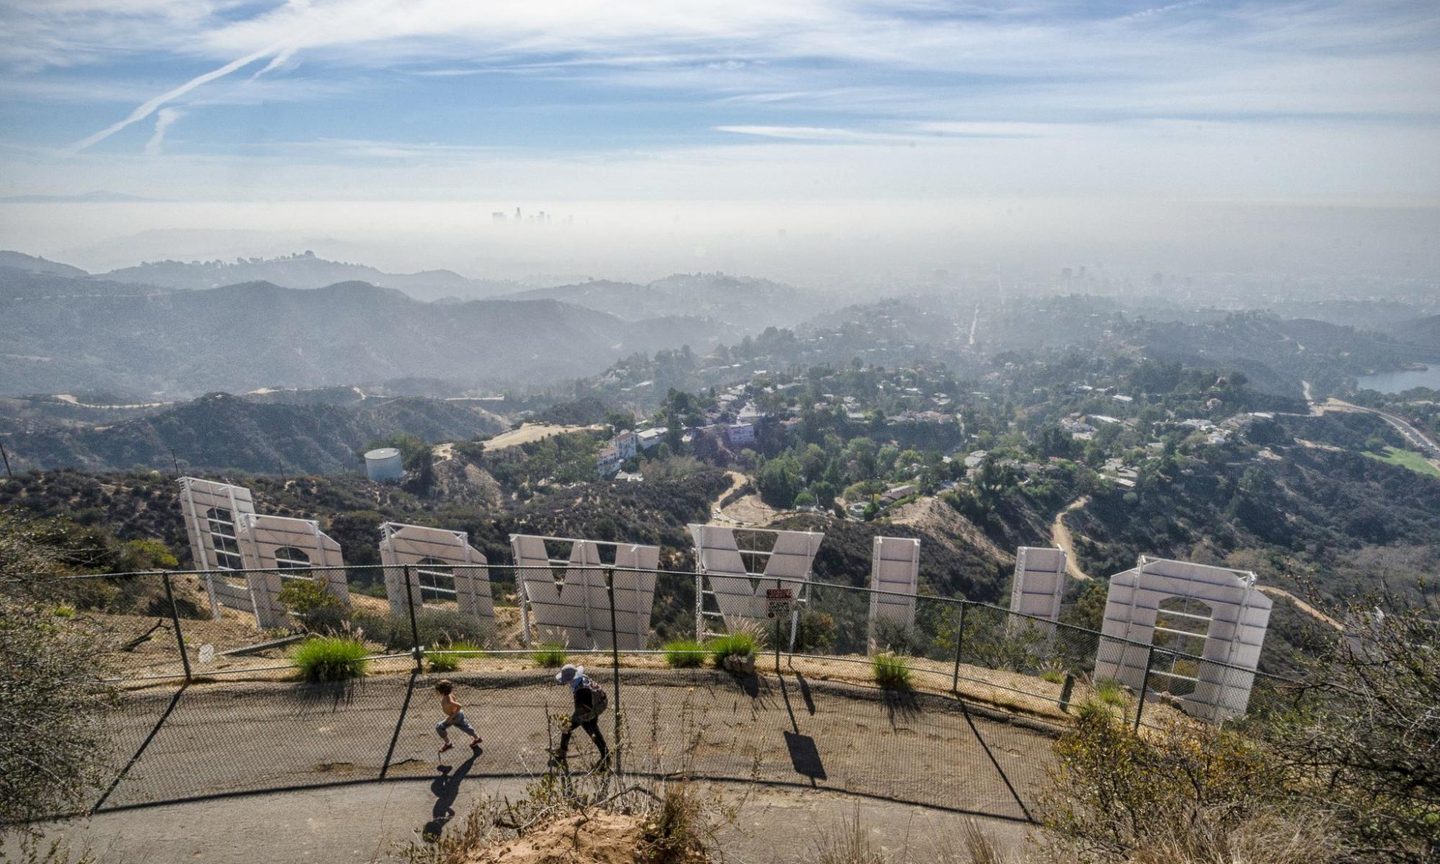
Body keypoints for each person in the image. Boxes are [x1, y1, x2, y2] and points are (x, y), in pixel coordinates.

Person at [554, 664, 608, 769]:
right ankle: (562, 750)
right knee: (570, 727)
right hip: (596, 703)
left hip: (589, 709)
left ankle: (606, 758)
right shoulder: (582, 678)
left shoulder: (581, 691)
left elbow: (582, 709)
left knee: (592, 733)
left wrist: (580, 719)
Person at [434, 679, 482, 754]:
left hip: (454, 717)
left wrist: (451, 716)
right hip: (458, 714)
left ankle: (448, 744)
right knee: (465, 726)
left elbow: (459, 706)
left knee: (439, 727)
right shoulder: (449, 695)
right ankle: (477, 738)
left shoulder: (448, 700)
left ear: (442, 691)